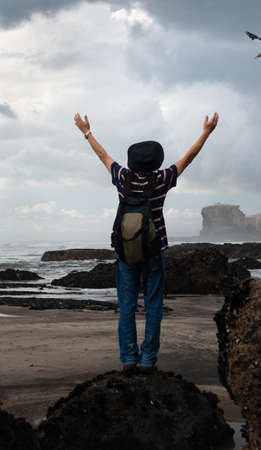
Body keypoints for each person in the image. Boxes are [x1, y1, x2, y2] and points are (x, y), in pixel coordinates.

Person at [74, 111, 219, 372]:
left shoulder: (122, 178)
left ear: (132, 161)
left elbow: (102, 155)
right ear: (156, 161)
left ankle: (129, 359)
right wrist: (206, 132)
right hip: (155, 250)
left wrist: (86, 131)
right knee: (153, 306)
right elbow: (189, 158)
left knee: (127, 307)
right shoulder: (162, 180)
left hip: (126, 253)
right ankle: (148, 360)